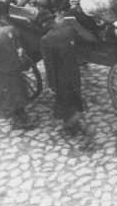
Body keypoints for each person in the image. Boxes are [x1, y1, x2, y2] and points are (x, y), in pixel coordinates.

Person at [40, 8, 98, 141]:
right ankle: (70, 126)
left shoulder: (46, 39)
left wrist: (51, 84)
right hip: (73, 72)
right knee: (74, 98)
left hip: (60, 77)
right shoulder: (67, 31)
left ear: (43, 24)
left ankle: (84, 129)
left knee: (66, 103)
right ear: (53, 19)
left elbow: (49, 65)